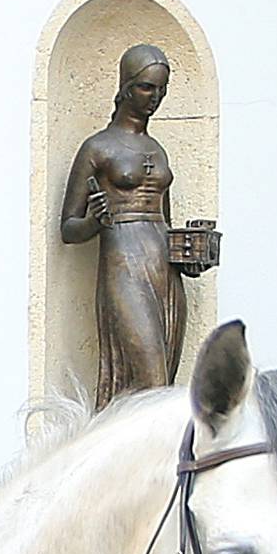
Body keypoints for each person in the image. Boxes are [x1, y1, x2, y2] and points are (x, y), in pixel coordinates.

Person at [59, 44, 192, 405]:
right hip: (123, 264)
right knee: (152, 378)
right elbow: (68, 227)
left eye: (161, 89)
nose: (155, 98)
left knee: (162, 381)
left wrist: (189, 254)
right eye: (147, 87)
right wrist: (94, 223)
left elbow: (166, 218)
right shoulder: (97, 148)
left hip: (164, 267)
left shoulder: (157, 149)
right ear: (126, 86)